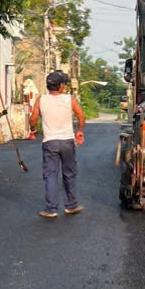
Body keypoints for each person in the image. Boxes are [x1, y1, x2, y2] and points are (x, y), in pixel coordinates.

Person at [29, 70, 86, 218]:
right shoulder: (70, 99)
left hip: (50, 142)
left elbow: (33, 118)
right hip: (67, 141)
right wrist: (79, 131)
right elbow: (81, 115)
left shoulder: (40, 100)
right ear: (61, 86)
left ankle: (51, 209)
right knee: (69, 174)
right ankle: (71, 205)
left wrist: (33, 129)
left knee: (50, 175)